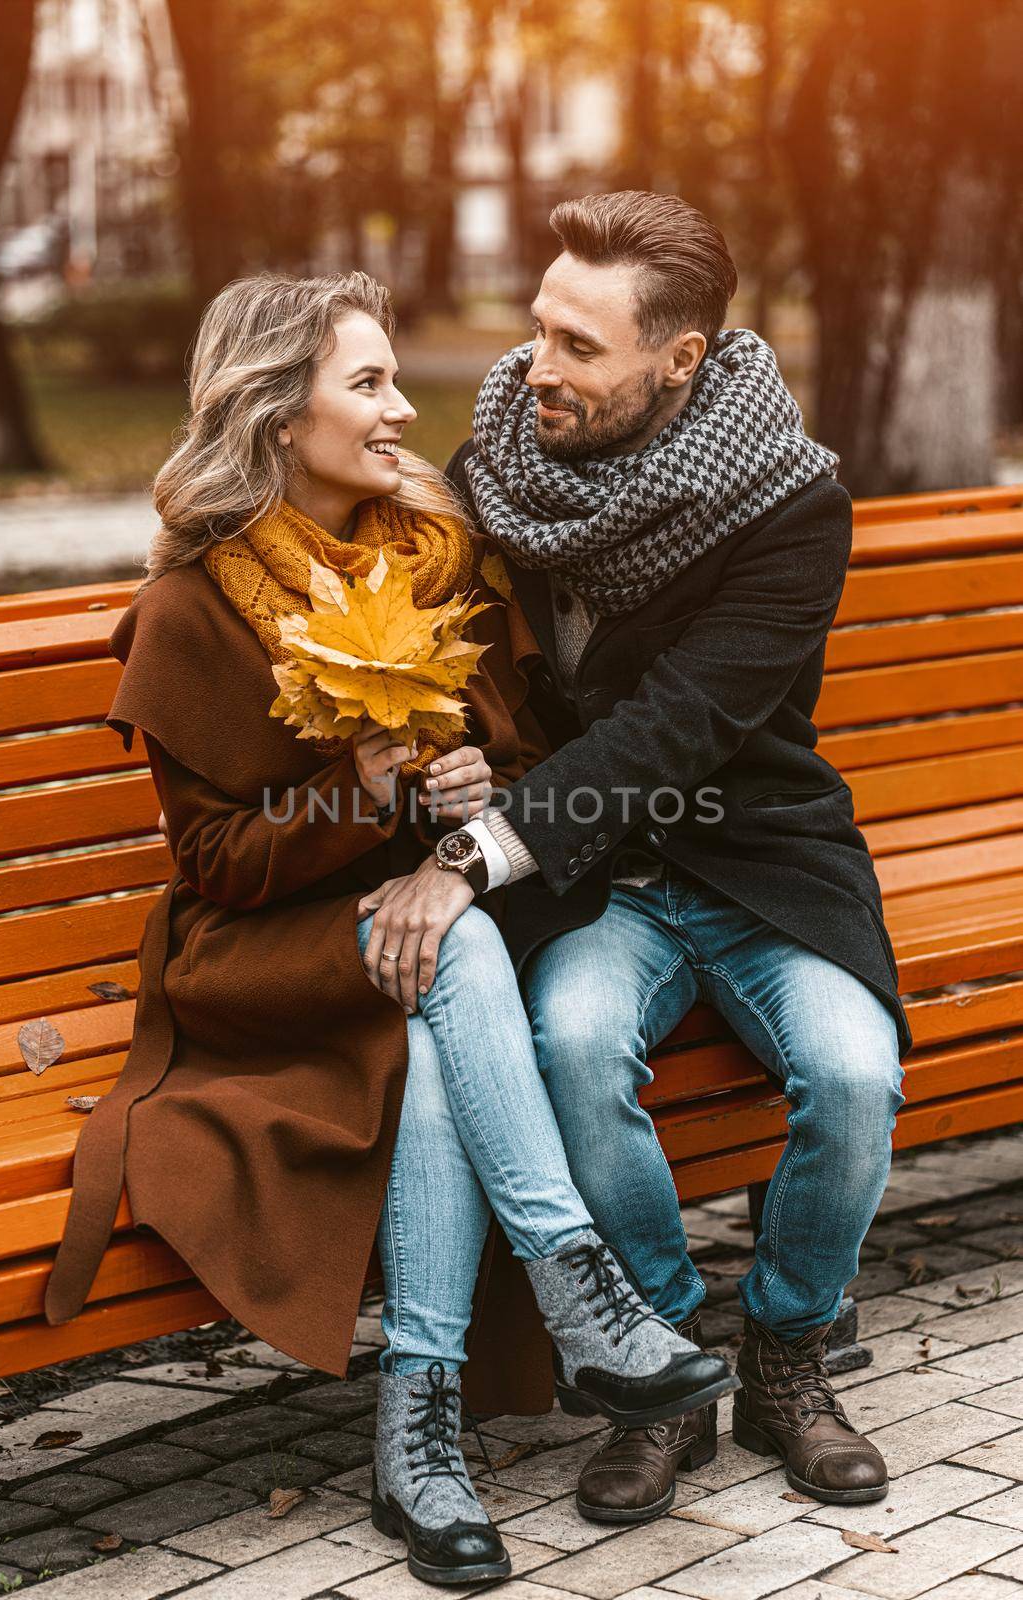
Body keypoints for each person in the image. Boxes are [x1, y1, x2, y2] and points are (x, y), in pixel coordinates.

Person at [43, 269, 736, 1585]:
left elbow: (526, 752)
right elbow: (217, 867)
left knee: (438, 983)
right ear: (272, 410)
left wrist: (478, 785)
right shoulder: (195, 604)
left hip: (413, 941)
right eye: (366, 383)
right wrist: (349, 792)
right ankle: (578, 1288)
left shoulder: (436, 559)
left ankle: (415, 1429)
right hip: (259, 954)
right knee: (450, 950)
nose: (403, 410)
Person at [366, 192, 913, 1521]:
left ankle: (787, 1348)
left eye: (582, 345)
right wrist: (440, 760)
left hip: (760, 860)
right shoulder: (494, 467)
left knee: (853, 1077)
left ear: (679, 361)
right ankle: (658, 1369)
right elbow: (468, 668)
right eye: (540, 326)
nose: (537, 366)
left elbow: (682, 730)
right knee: (572, 1050)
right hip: (598, 883)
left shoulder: (791, 506)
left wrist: (475, 853)